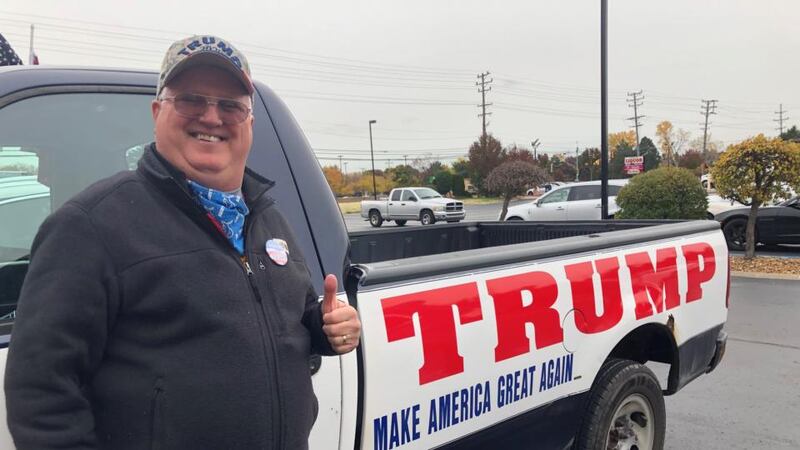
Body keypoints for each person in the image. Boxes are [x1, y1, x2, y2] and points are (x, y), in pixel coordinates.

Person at [4, 35, 361, 450]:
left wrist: (324, 327)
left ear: (249, 124)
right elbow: (42, 394)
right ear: (158, 112)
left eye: (230, 106)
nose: (211, 117)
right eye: (191, 100)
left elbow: (280, 321)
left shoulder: (267, 219)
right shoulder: (90, 226)